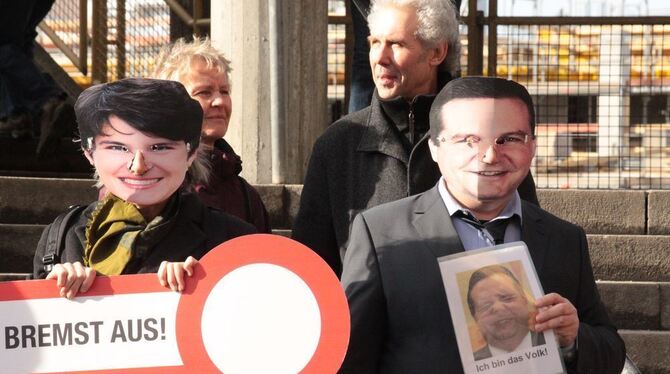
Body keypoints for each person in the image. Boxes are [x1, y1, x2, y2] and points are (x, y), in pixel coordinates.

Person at [339, 77, 625, 373]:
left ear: (533, 147)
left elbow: (611, 353)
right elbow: (349, 355)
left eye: (509, 139)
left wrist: (573, 339)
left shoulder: (564, 238)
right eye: (469, 141)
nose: (489, 156)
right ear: (435, 148)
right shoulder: (381, 234)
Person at [292, 0, 538, 277]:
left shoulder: (490, 137)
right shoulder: (337, 144)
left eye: (396, 44)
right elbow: (309, 264)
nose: (380, 57)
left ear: (436, 52)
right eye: (374, 42)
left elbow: (531, 242)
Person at [32, 78, 256, 297]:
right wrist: (51, 291)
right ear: (90, 153)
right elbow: (31, 327)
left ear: (191, 152)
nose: (138, 166)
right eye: (118, 148)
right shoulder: (61, 236)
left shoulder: (233, 239)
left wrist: (209, 285)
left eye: (159, 148)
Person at [151, 37, 270, 233]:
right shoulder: (143, 184)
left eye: (224, 91)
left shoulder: (246, 196)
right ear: (168, 103)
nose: (219, 102)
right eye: (204, 92)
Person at [466, 265, 545, 360]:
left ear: (524, 300)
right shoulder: (468, 364)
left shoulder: (555, 341)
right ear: (475, 318)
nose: (498, 308)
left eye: (507, 298)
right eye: (485, 306)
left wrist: (566, 345)